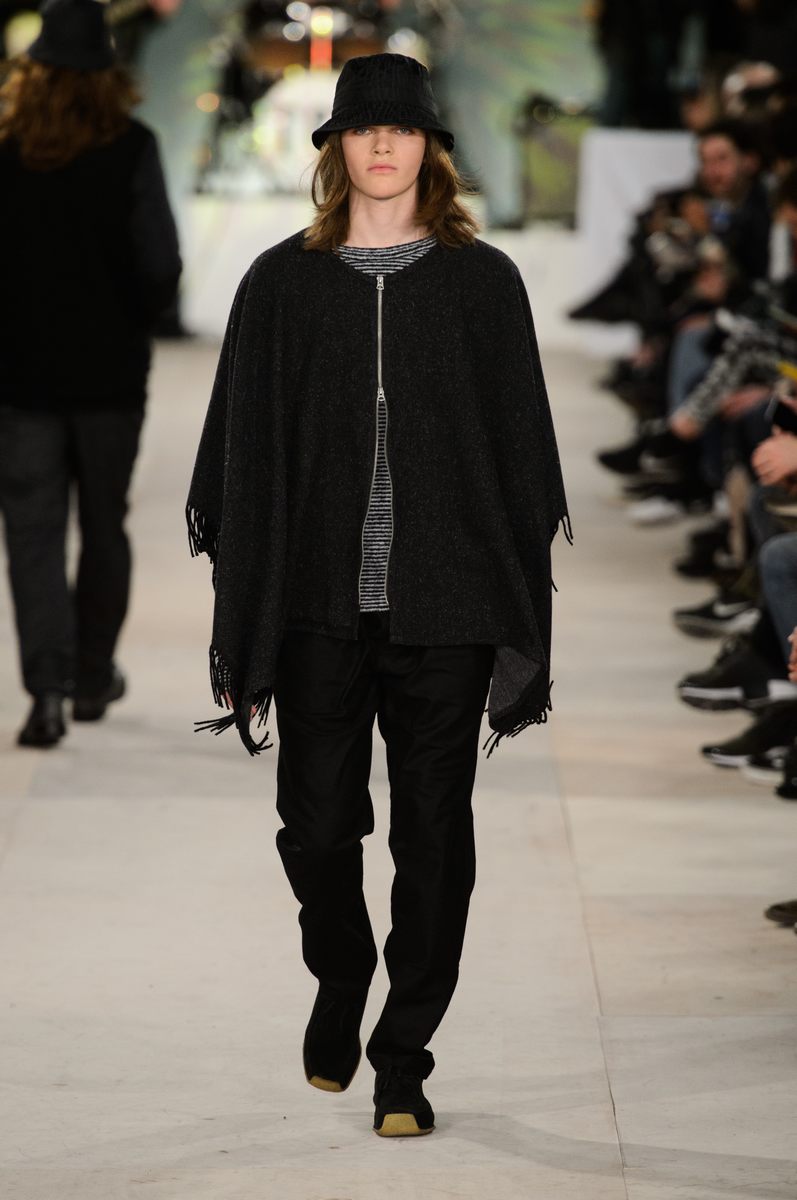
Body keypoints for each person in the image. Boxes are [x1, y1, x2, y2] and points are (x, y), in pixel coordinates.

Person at [186, 52, 569, 1138]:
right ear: (336, 148)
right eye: (363, 128)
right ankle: (343, 968)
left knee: (434, 836)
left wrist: (512, 603)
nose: (384, 144)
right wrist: (245, 613)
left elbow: (521, 453)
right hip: (315, 604)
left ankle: (402, 1057)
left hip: (447, 605)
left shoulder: (482, 283)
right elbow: (239, 459)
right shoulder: (281, 284)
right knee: (315, 828)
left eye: (402, 129)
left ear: (430, 148)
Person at [0, 0, 181, 747]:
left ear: (32, 72)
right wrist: (129, 319)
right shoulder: (133, 146)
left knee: (33, 534)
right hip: (109, 375)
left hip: (19, 378)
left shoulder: (5, 150)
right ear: (110, 74)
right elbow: (160, 264)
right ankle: (92, 675)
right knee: (106, 526)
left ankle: (46, 690)